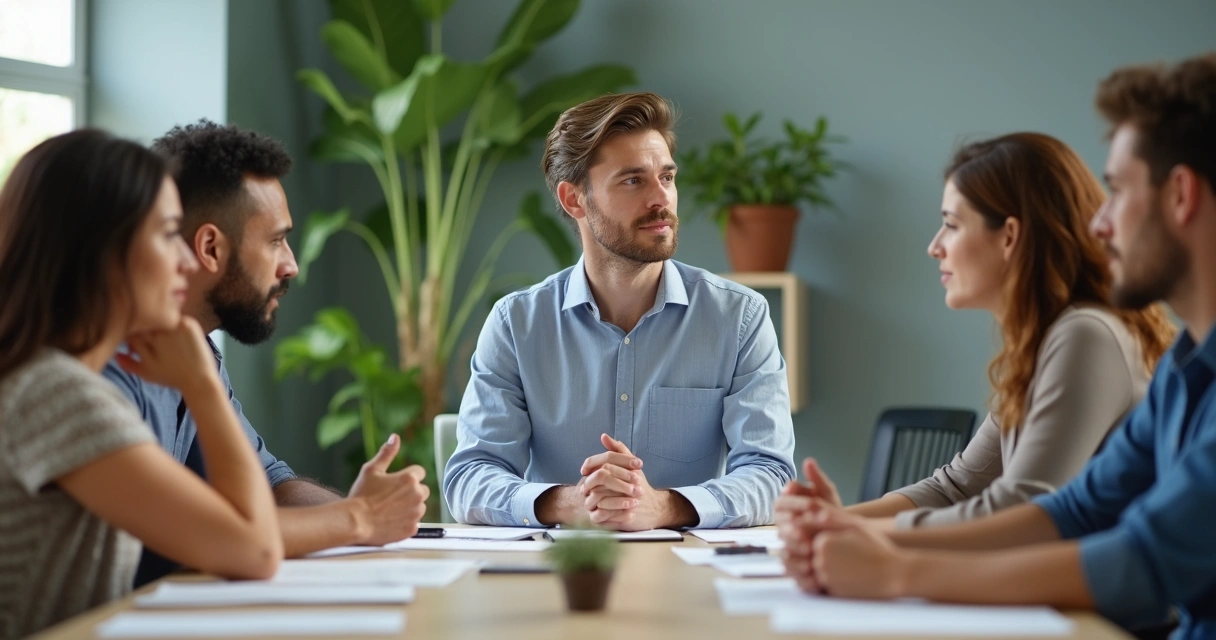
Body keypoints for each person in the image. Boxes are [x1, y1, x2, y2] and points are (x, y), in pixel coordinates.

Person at [777, 53, 1216, 640]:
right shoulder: (1182, 369)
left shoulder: (1087, 333)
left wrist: (897, 567)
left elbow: (1139, 563)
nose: (1100, 223)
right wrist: (852, 534)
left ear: (1181, 195)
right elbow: (1068, 509)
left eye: (1116, 190)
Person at [443, 92, 796, 530]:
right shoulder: (516, 324)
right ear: (575, 200)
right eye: (633, 181)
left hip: (690, 578)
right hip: (557, 574)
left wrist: (662, 507)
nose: (660, 200)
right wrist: (571, 503)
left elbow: (772, 474)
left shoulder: (739, 317)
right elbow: (468, 477)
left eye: (666, 177)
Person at [793, 132, 1174, 531]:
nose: (934, 246)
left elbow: (1020, 509)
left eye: (951, 225)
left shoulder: (1085, 334)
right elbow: (956, 487)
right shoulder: (1042, 341)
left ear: (1009, 236)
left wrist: (855, 532)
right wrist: (830, 520)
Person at [102, 121, 427, 585]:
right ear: (210, 247)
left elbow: (270, 487)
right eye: (276, 240)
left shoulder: (194, 352)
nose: (291, 264)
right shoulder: (107, 370)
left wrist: (369, 513)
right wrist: (358, 518)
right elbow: (218, 534)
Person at [0, 130, 282, 639]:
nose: (187, 260)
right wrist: (200, 382)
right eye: (168, 232)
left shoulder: (57, 378)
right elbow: (255, 549)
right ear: (103, 250)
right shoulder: (53, 391)